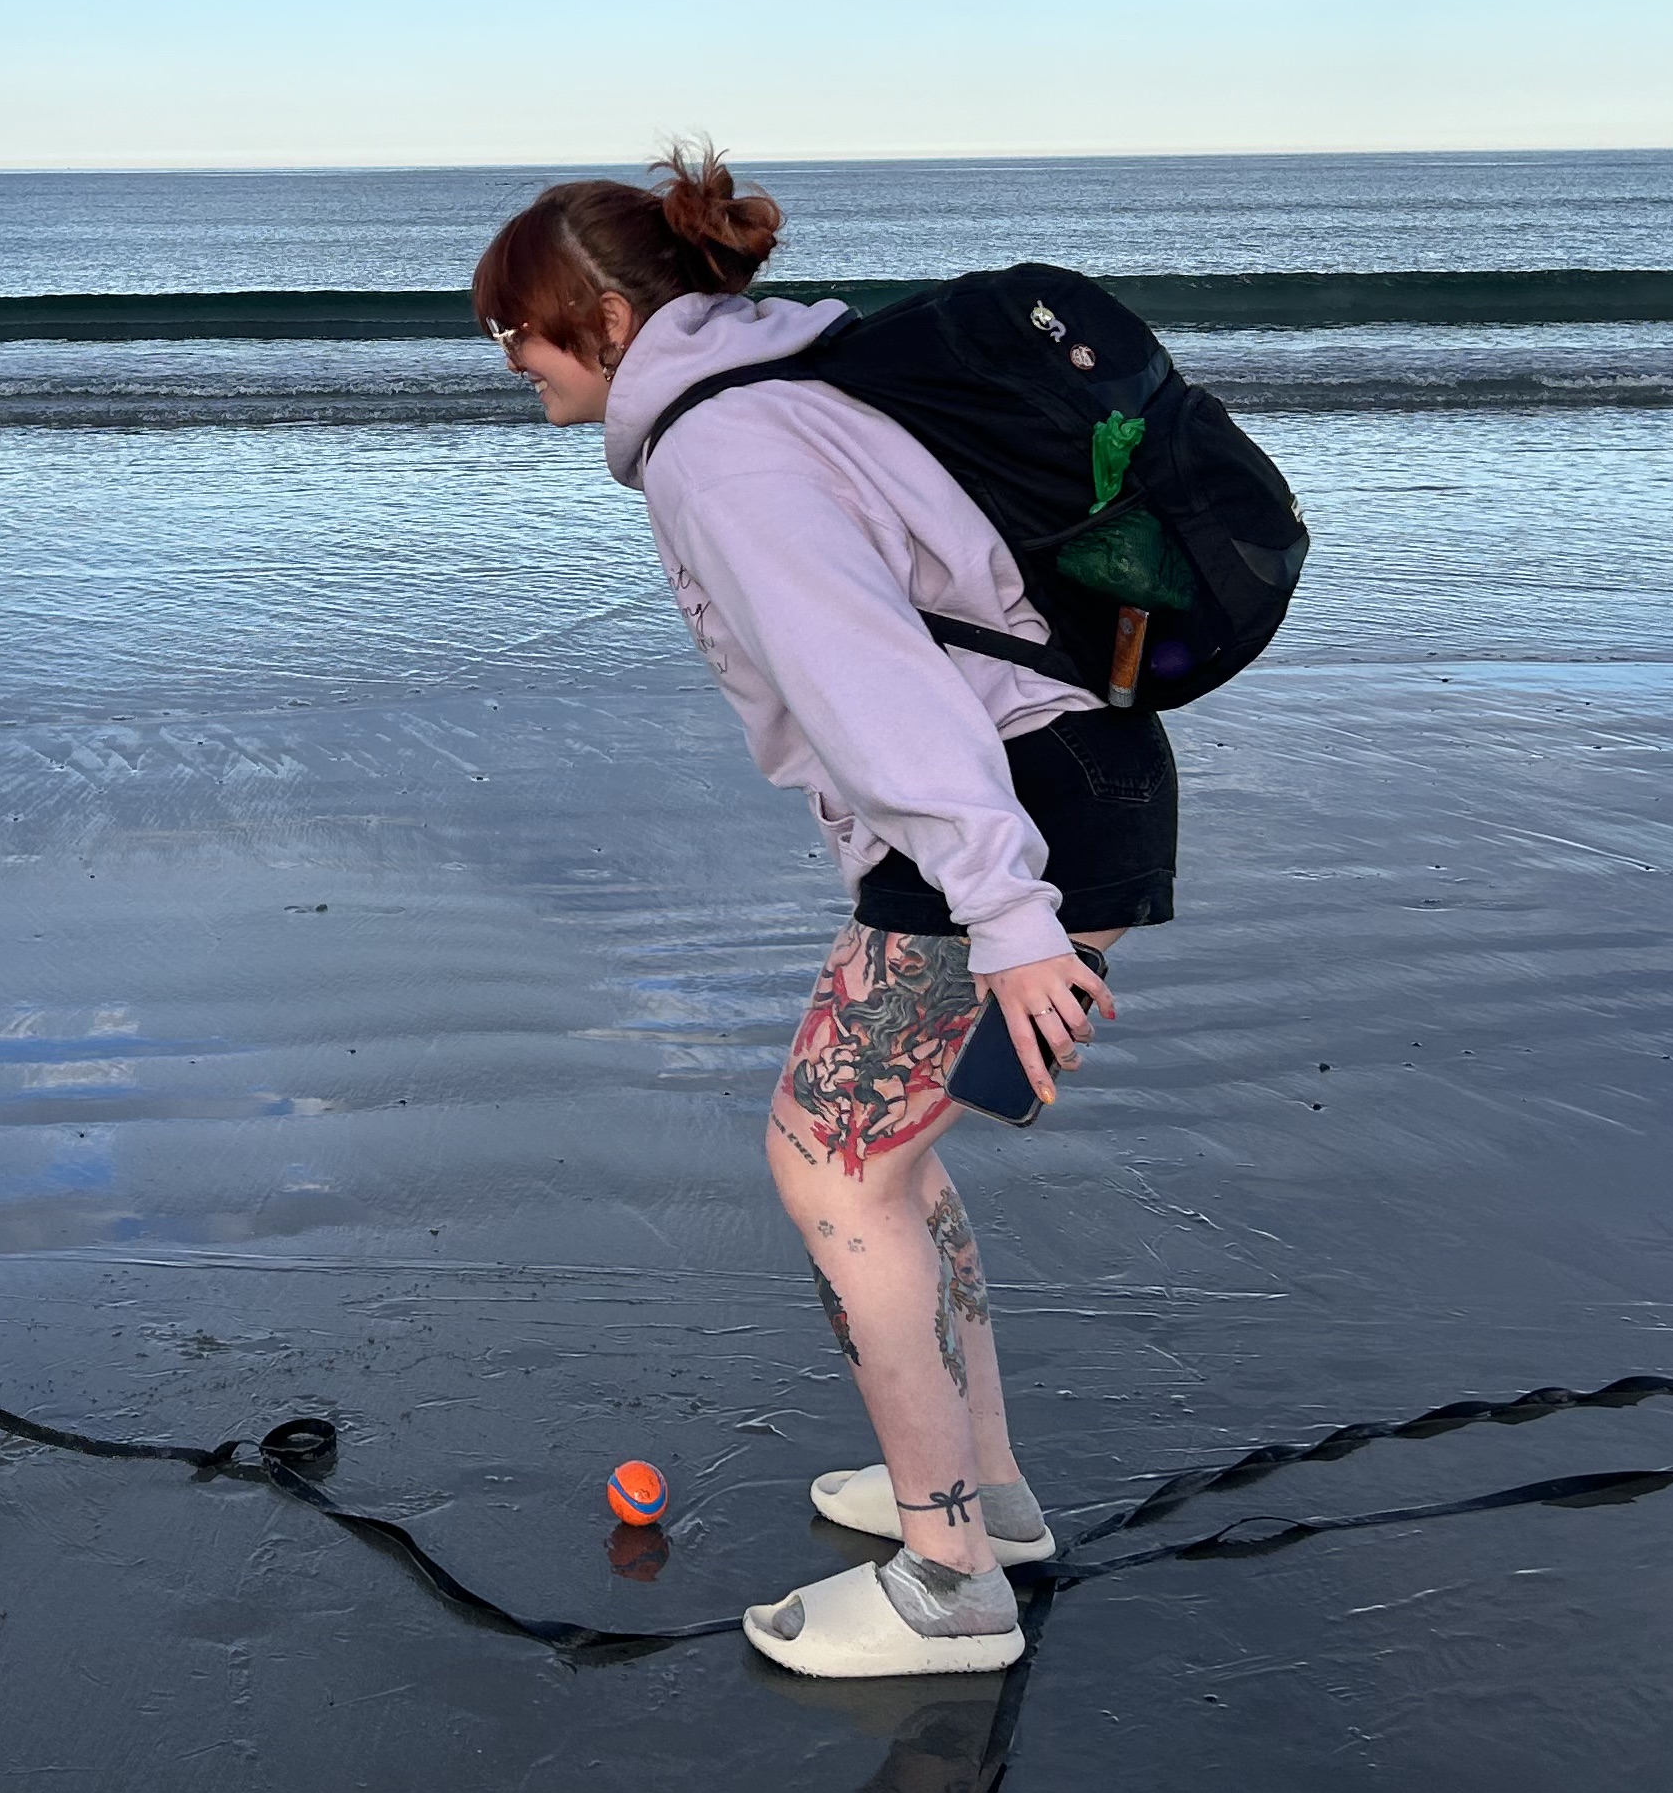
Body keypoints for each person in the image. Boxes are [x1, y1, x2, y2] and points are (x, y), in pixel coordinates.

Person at [472, 146, 1177, 1679]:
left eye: (512, 328)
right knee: (891, 1166)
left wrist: (1006, 909)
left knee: (835, 1167)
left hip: (1004, 814)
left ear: (600, 315)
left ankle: (946, 1582)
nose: (506, 360)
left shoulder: (727, 452)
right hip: (1043, 790)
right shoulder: (769, 402)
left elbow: (877, 686)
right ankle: (980, 1500)